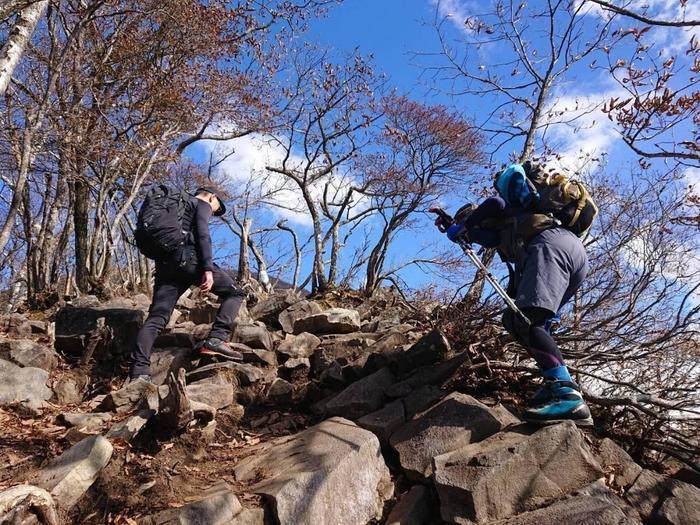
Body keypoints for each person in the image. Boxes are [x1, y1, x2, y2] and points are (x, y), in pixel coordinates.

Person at [441, 163, 593, 426]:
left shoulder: (503, 207)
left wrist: (465, 225)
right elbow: (482, 238)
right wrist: (455, 230)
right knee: (516, 320)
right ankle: (554, 382)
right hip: (571, 255)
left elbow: (493, 204)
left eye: (468, 218)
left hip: (551, 247)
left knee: (527, 320)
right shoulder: (503, 230)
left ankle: (567, 395)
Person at [129, 186, 246, 382]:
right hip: (190, 261)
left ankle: (139, 372)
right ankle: (216, 339)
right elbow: (203, 235)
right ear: (212, 196)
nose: (214, 212)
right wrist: (207, 269)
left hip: (166, 266)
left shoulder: (178, 207)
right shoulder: (201, 203)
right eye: (216, 207)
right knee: (235, 293)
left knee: (157, 318)